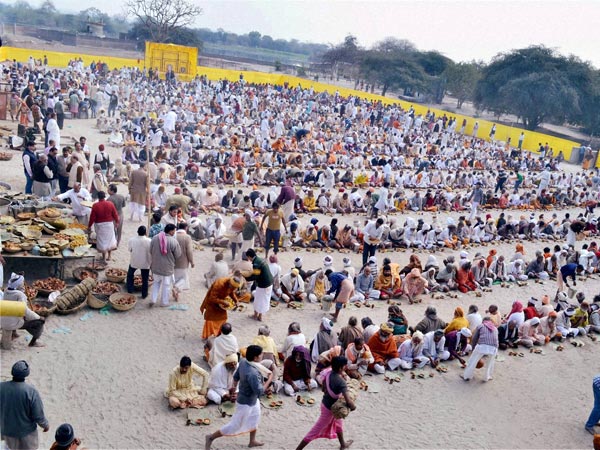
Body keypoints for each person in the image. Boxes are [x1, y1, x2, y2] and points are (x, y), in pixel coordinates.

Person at [205, 345, 273, 450]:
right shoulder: (252, 373)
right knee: (234, 425)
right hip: (245, 402)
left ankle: (252, 441)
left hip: (253, 400)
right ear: (255, 358)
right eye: (261, 354)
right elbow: (259, 391)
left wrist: (233, 387)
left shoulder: (244, 361)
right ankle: (211, 437)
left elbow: (236, 376)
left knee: (255, 417)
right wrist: (269, 379)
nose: (262, 355)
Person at [295, 356, 355, 450]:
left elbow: (323, 389)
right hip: (330, 409)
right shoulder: (341, 382)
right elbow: (349, 402)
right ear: (340, 368)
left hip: (325, 403)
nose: (345, 367)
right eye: (344, 366)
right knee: (315, 430)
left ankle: (343, 444)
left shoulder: (328, 373)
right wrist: (353, 406)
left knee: (338, 424)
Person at [0, 361, 50, 449]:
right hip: (27, 434)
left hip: (7, 431)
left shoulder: (1, 387)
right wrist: (45, 425)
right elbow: (38, 414)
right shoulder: (31, 391)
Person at [1, 272, 45, 349]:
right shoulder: (20, 295)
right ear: (19, 285)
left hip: (3, 321)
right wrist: (38, 317)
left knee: (13, 311)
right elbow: (25, 310)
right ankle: (33, 343)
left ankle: (14, 333)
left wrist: (21, 277)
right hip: (13, 323)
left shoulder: (6, 291)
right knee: (39, 323)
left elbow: (20, 289)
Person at [200, 276, 243, 340]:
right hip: (212, 304)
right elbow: (212, 298)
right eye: (233, 287)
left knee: (223, 318)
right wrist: (223, 302)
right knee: (210, 320)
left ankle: (218, 334)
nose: (233, 289)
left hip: (221, 304)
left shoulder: (231, 286)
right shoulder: (219, 284)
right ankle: (205, 336)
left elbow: (231, 292)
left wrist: (236, 300)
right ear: (230, 284)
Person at [149, 223, 181, 307]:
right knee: (166, 286)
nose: (174, 232)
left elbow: (150, 250)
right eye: (174, 230)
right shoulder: (173, 241)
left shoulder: (155, 238)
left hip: (156, 266)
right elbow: (178, 255)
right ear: (170, 231)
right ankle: (164, 302)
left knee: (156, 283)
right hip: (167, 268)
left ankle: (153, 299)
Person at [462, 318, 499, 382]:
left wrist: (473, 349)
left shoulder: (480, 326)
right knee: (490, 363)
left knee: (472, 361)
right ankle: (487, 377)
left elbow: (474, 338)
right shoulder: (495, 328)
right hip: (494, 348)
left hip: (482, 346)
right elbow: (496, 340)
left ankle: (467, 376)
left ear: (483, 321)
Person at [88, 191, 119, 261]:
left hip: (100, 226)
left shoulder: (95, 205)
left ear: (98, 197)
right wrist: (117, 222)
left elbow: (92, 217)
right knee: (110, 240)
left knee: (102, 241)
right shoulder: (110, 204)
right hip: (109, 224)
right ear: (104, 196)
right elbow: (115, 214)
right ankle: (109, 256)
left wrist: (89, 225)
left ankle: (104, 257)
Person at [244, 248, 273, 322]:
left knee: (258, 299)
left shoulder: (256, 263)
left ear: (249, 256)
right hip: (269, 282)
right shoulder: (260, 259)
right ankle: (260, 316)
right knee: (265, 300)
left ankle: (256, 315)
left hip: (263, 284)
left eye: (248, 257)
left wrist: (246, 278)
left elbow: (255, 276)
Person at [126, 226, 151, 299]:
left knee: (130, 275)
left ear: (137, 232)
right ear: (146, 233)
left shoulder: (132, 240)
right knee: (145, 279)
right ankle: (144, 294)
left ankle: (130, 290)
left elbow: (130, 250)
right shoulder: (149, 240)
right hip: (145, 262)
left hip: (134, 261)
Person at [173, 222, 194, 301]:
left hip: (173, 261)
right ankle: (176, 289)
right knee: (183, 279)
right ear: (186, 228)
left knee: (175, 278)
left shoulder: (173, 235)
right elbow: (189, 251)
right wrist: (192, 262)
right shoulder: (187, 237)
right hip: (183, 261)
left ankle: (176, 294)